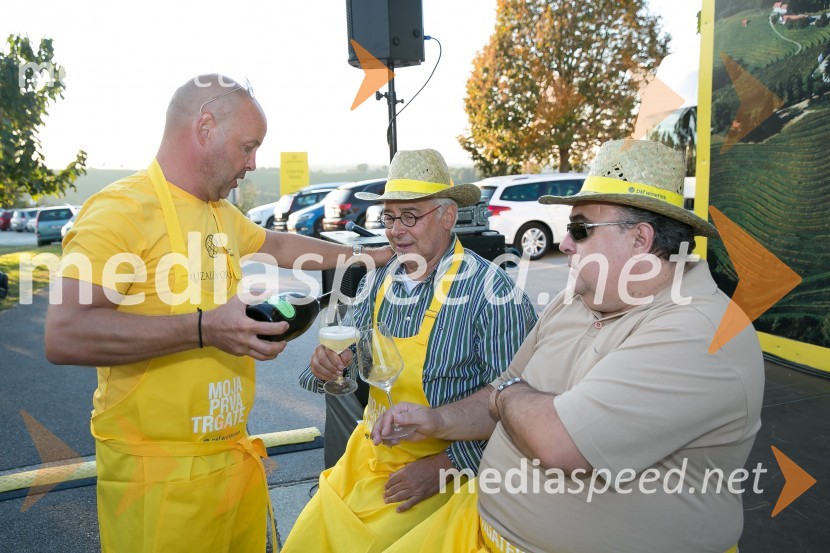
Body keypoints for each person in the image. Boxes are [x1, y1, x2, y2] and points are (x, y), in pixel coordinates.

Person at [43, 74, 392, 553]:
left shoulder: (218, 214)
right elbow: (65, 334)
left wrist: (369, 257)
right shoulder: (118, 210)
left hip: (233, 465)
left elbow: (279, 243)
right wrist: (206, 329)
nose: (253, 164)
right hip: (158, 484)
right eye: (248, 147)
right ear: (205, 126)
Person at [374, 139, 765, 553]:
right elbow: (499, 393)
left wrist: (507, 396)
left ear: (640, 239)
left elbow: (559, 442)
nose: (564, 243)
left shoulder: (701, 332)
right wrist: (438, 421)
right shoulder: (577, 298)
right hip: (475, 528)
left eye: (580, 228)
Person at [283, 148, 538, 553]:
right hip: (366, 462)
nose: (396, 231)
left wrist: (444, 468)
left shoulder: (494, 296)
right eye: (389, 217)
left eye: (410, 216)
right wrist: (328, 369)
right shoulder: (380, 279)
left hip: (449, 480)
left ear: (448, 216)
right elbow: (350, 369)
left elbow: (521, 412)